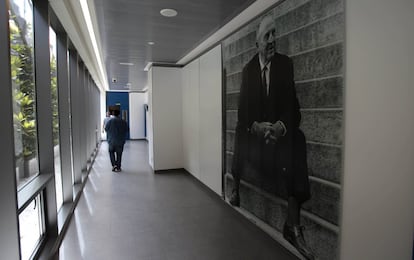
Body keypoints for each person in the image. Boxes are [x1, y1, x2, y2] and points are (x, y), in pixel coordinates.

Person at [229, 14, 314, 259]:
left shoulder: (285, 65)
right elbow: (242, 114)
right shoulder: (247, 71)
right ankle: (235, 187)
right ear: (257, 43)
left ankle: (292, 224)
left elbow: (294, 111)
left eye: (274, 34)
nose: (272, 40)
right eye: (267, 36)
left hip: (278, 144)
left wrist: (279, 127)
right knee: (239, 130)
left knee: (297, 136)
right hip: (255, 145)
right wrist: (256, 127)